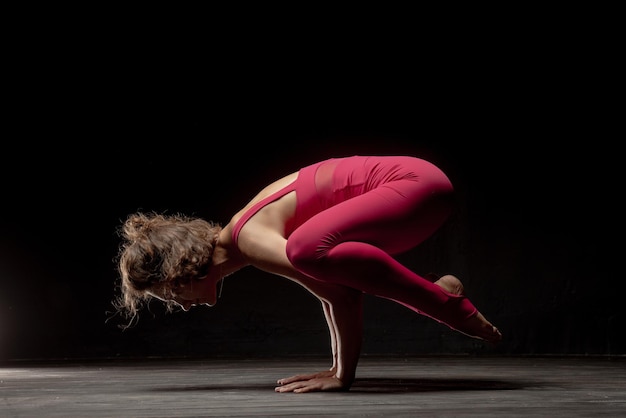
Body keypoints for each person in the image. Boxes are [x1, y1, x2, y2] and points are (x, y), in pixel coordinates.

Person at [115, 154, 502, 393]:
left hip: (415, 187)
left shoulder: (248, 240)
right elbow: (334, 290)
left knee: (305, 250)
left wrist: (342, 377)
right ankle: (441, 295)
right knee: (313, 254)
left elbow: (343, 296)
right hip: (416, 201)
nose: (181, 306)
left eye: (171, 294)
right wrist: (336, 368)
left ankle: (448, 305)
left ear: (178, 268)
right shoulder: (245, 238)